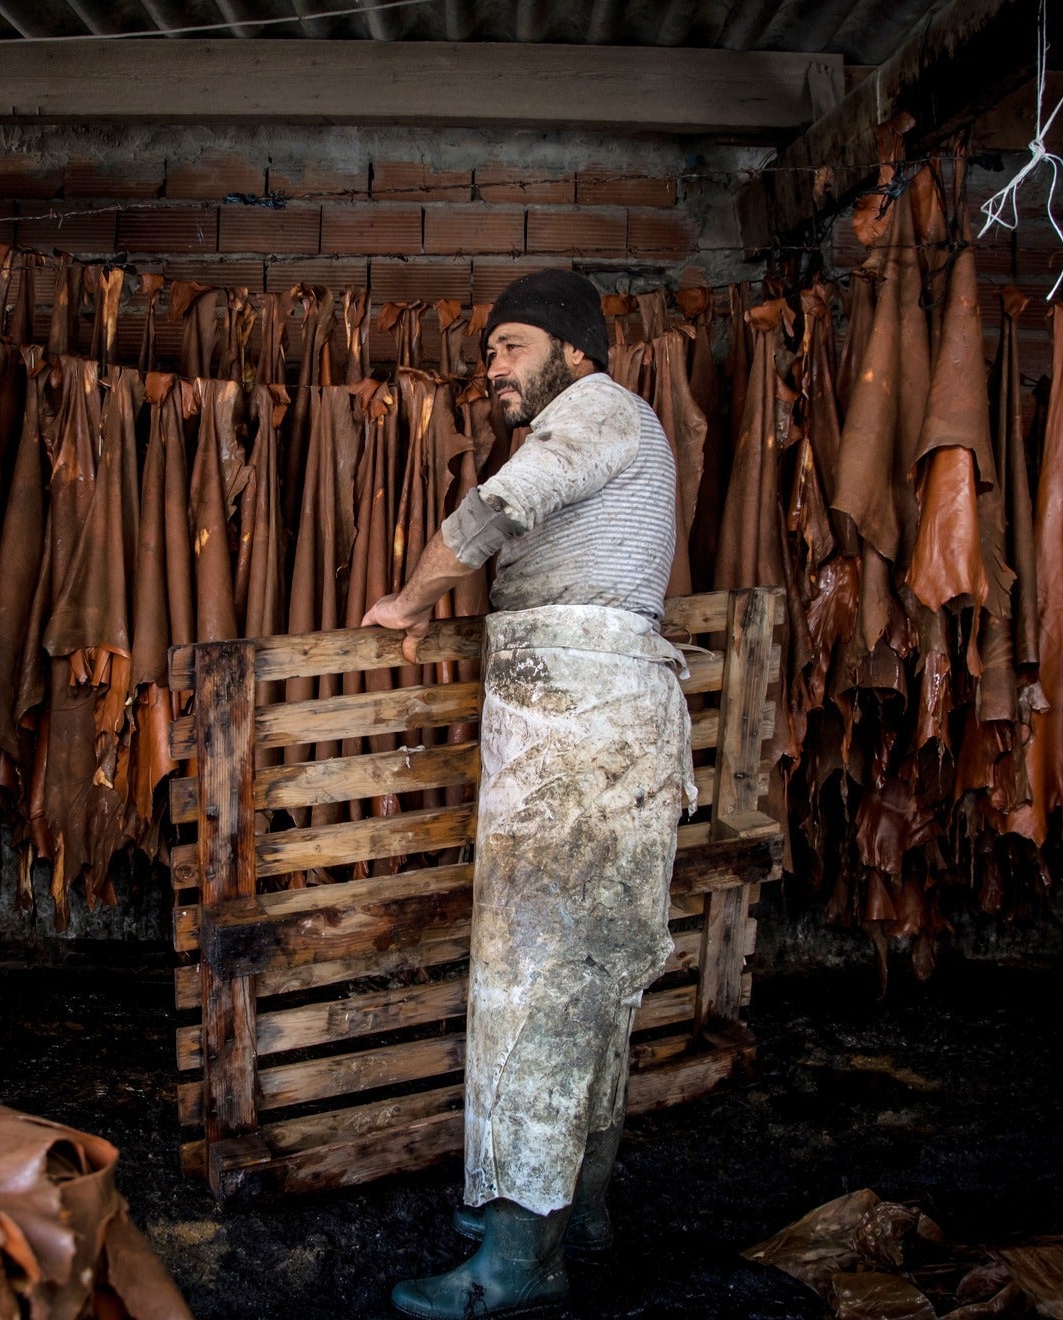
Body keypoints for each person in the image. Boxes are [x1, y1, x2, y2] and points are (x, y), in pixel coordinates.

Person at [363, 268, 694, 1319]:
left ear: (575, 351)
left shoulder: (599, 410)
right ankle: (572, 1210)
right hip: (585, 728)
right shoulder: (606, 424)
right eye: (491, 352)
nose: (492, 369)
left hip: (584, 734)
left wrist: (409, 597)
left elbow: (501, 507)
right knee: (582, 983)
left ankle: (518, 1262)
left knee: (539, 985)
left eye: (510, 346)